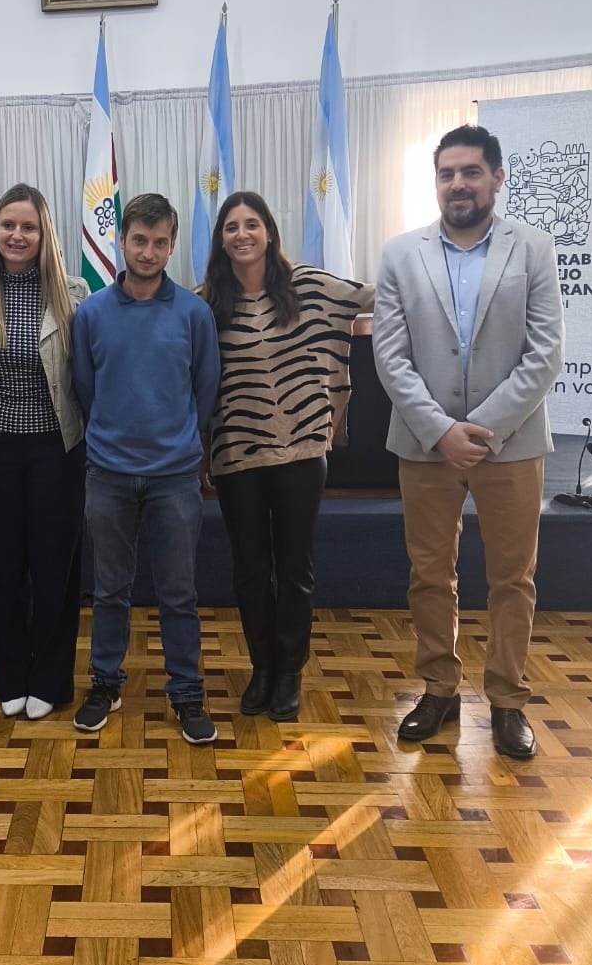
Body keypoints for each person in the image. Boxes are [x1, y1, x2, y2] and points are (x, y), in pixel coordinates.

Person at [372, 124, 564, 760]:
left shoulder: (533, 248)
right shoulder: (401, 254)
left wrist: (479, 429)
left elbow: (545, 353)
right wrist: (440, 430)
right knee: (430, 574)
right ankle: (439, 689)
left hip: (511, 444)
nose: (458, 183)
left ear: (496, 178)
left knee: (513, 578)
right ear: (436, 182)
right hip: (425, 445)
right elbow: (390, 357)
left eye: (471, 172)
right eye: (447, 173)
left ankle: (507, 700)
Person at [202, 192, 374, 722]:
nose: (242, 234)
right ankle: (263, 667)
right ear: (221, 239)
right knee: (250, 571)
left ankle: (290, 671)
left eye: (252, 224)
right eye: (231, 227)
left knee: (295, 569)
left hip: (301, 450)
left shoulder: (308, 286)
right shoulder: (207, 302)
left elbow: (372, 297)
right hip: (237, 455)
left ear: (270, 232)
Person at [71, 193, 220, 743]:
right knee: (110, 590)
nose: (148, 252)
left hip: (174, 476)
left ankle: (186, 692)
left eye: (160, 242)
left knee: (178, 593)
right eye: (139, 240)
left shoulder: (194, 314)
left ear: (172, 245)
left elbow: (205, 390)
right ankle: (105, 684)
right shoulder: (91, 313)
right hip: (108, 472)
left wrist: (177, 440)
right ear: (121, 240)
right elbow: (85, 388)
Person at [0, 185, 88, 718]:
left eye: (28, 227)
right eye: (8, 225)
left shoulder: (74, 294)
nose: (17, 235)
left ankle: (50, 679)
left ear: (44, 233)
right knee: (0, 566)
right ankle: (10, 674)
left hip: (57, 451)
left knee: (56, 567)